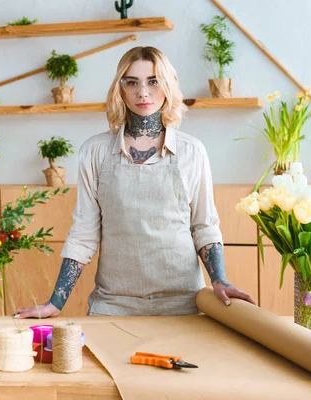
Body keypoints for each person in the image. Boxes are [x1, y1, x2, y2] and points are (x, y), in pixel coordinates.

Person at [15, 46, 256, 319]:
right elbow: (84, 233)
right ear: (120, 88)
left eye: (153, 81)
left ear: (167, 86)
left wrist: (220, 280)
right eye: (133, 82)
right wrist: (55, 302)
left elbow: (204, 227)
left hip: (184, 304)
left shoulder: (192, 151)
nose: (143, 92)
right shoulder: (94, 152)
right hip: (113, 305)